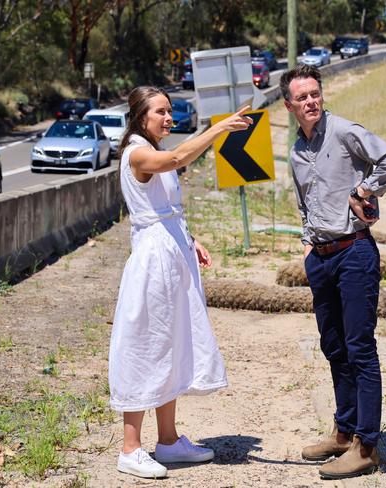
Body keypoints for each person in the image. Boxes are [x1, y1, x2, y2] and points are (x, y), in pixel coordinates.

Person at [108, 86, 252, 479]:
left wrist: (190, 240)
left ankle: (168, 441)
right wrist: (219, 129)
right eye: (161, 112)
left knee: (170, 344)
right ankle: (130, 448)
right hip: (153, 264)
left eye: (170, 111)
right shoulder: (138, 152)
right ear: (140, 117)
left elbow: (165, 209)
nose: (169, 117)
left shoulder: (150, 148)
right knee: (146, 346)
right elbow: (174, 158)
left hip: (172, 257)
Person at [280, 65, 386, 480]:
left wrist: (364, 190)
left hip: (354, 253)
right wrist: (307, 246)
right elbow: (305, 203)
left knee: (359, 349)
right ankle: (343, 431)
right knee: (333, 347)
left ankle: (366, 447)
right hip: (320, 257)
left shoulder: (344, 131)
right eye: (302, 97)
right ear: (289, 105)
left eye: (315, 93)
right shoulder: (297, 151)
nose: (311, 102)